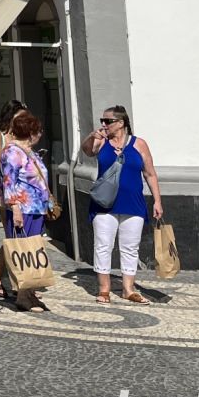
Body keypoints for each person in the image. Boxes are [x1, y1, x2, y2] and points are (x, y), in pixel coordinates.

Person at [81, 103, 163, 304]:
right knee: (103, 245)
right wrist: (92, 136)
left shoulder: (139, 144)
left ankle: (128, 288)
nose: (104, 124)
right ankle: (104, 289)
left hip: (132, 203)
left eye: (108, 121)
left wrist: (157, 201)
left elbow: (150, 174)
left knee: (130, 247)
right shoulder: (102, 142)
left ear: (121, 122)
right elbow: (87, 151)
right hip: (104, 204)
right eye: (102, 121)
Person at [0, 110, 53, 312]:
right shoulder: (12, 152)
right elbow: (9, 181)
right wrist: (15, 208)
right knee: (24, 250)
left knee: (33, 248)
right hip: (23, 208)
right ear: (31, 132)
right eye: (38, 131)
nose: (40, 134)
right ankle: (22, 295)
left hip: (36, 208)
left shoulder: (29, 151)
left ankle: (30, 293)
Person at [0, 99, 29, 296]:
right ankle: (3, 279)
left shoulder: (23, 136)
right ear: (11, 116)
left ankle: (18, 280)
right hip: (5, 191)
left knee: (21, 236)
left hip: (25, 191)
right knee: (12, 235)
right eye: (21, 116)